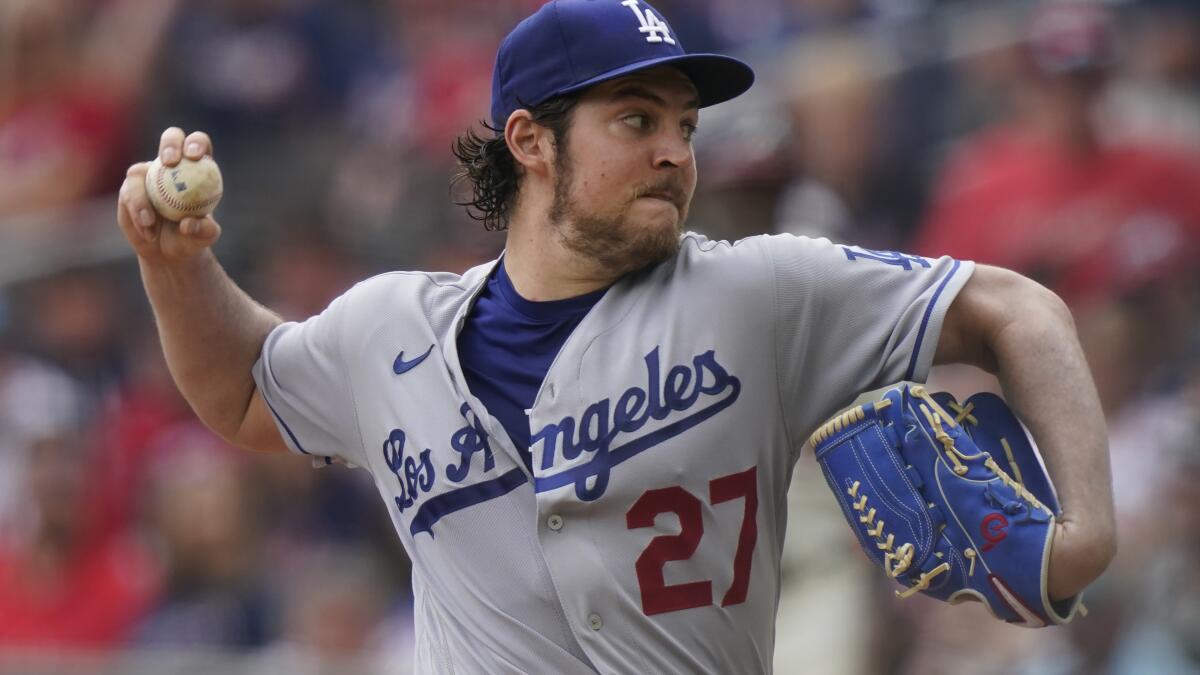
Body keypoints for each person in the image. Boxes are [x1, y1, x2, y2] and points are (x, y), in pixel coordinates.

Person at [116, 1, 1116, 672]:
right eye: (636, 121)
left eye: (684, 126)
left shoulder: (757, 289)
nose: (676, 153)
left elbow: (1017, 307)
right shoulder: (390, 328)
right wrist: (175, 263)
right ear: (530, 140)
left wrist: (1086, 536)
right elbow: (245, 390)